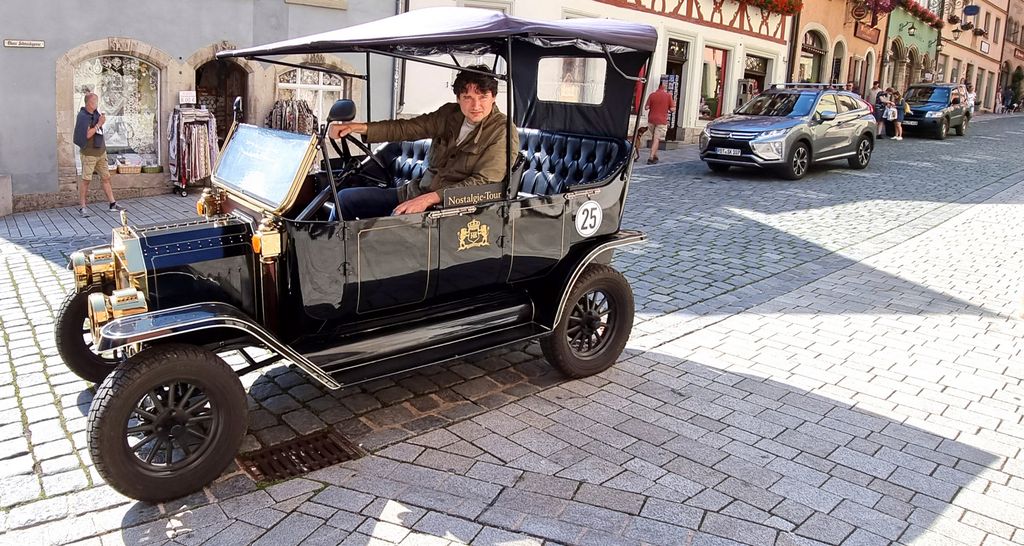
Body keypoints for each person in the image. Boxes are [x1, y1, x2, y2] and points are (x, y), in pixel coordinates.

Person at [328, 66, 518, 220]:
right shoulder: (449, 114)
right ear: (458, 98)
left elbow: (483, 182)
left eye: (482, 97)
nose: (476, 106)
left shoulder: (502, 130)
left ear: (493, 97)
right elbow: (409, 128)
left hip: (452, 209)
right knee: (344, 199)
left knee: (388, 224)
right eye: (468, 98)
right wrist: (358, 127)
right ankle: (328, 256)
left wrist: (428, 200)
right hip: (415, 192)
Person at [72, 92, 125, 217]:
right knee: (86, 180)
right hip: (89, 153)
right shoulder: (83, 116)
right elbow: (87, 135)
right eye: (95, 101)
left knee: (106, 178)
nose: (97, 104)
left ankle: (112, 203)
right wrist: (99, 124)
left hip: (100, 151)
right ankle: (83, 207)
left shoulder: (95, 114)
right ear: (90, 103)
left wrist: (101, 122)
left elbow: (98, 130)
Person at [644, 81, 675, 164]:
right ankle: (650, 158)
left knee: (654, 138)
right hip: (661, 120)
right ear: (664, 86)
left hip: (651, 120)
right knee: (656, 139)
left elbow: (646, 107)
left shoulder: (652, 95)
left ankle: (655, 156)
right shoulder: (668, 96)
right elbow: (672, 109)